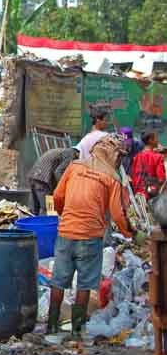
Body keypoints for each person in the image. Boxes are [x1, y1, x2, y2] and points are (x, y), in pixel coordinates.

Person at [47, 134, 133, 336]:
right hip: (90, 237)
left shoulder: (75, 166)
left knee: (58, 281)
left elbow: (58, 196)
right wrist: (130, 233)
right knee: (84, 284)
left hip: (66, 232)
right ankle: (77, 330)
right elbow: (118, 213)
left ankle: (51, 327)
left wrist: (65, 215)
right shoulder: (111, 178)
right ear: (114, 156)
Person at [26, 147, 79, 215]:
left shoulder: (62, 151)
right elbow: (58, 172)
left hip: (34, 176)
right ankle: (46, 225)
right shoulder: (71, 155)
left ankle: (31, 225)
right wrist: (63, 188)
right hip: (43, 180)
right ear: (78, 154)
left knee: (33, 210)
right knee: (47, 209)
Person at [131, 131, 166, 198]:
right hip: (152, 195)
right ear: (150, 140)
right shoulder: (157, 157)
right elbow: (161, 179)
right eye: (156, 138)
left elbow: (134, 176)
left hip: (138, 194)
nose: (157, 141)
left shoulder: (136, 157)